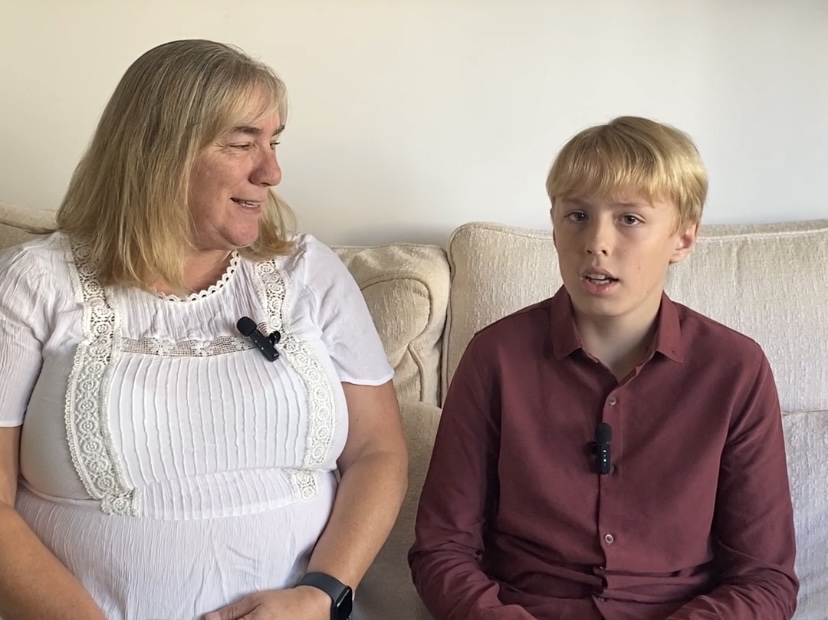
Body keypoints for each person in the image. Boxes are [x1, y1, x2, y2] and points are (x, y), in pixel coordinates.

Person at [0, 39, 407, 620]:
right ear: (156, 153)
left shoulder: (308, 274)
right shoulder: (34, 284)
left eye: (274, 142)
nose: (272, 171)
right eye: (243, 143)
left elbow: (378, 451)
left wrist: (320, 593)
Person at [409, 116, 797, 619]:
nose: (597, 242)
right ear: (554, 226)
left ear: (682, 238)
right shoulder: (496, 356)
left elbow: (765, 578)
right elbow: (441, 549)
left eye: (629, 219)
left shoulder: (735, 369)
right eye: (577, 216)